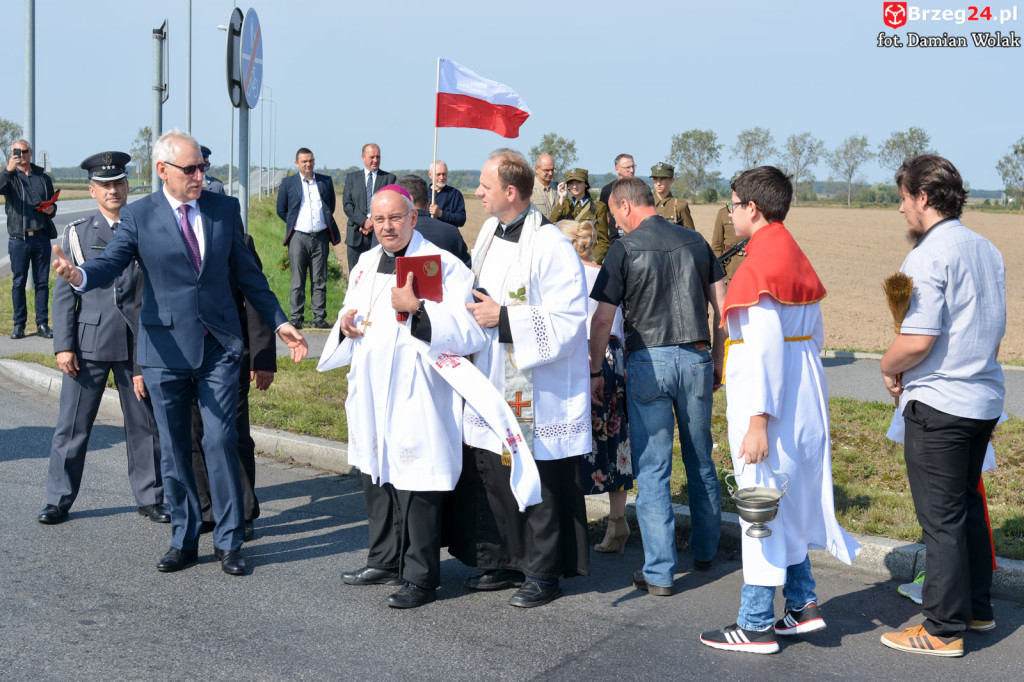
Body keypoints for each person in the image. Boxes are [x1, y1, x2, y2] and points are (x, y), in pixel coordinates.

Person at [51, 129, 308, 577]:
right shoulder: (139, 215)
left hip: (218, 347)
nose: (199, 175)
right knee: (172, 447)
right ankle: (184, 539)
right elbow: (111, 264)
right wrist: (78, 275)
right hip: (163, 349)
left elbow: (250, 279)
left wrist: (282, 324)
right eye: (190, 169)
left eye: (203, 168)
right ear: (163, 170)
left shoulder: (224, 209)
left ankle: (229, 542)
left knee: (220, 440)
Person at [698, 166, 860, 655]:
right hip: (804, 396)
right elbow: (815, 337)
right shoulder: (793, 254)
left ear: (752, 208)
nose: (729, 212)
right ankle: (803, 604)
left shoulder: (756, 266)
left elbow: (765, 347)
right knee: (783, 502)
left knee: (760, 508)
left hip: (771, 408)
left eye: (732, 204)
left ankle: (754, 624)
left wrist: (757, 421)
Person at [319, 185, 485, 608]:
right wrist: (345, 323)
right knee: (376, 474)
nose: (387, 227)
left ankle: (421, 577)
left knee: (418, 482)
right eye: (379, 219)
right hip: (373, 387)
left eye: (395, 218)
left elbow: (471, 331)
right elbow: (350, 309)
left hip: (417, 391)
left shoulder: (442, 266)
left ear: (413, 218)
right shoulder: (365, 263)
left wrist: (419, 311)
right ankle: (385, 558)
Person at [448, 148, 591, 608]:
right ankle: (507, 559)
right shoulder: (490, 230)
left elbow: (570, 321)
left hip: (540, 386)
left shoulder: (551, 244)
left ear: (511, 192)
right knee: (494, 468)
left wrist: (504, 318)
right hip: (493, 373)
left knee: (541, 478)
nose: (477, 193)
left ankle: (544, 572)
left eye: (485, 187)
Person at [878, 155, 1005, 658]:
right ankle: (976, 606)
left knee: (940, 518)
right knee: (966, 505)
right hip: (982, 397)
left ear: (923, 198)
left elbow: (918, 339)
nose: (902, 210)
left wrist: (887, 368)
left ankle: (941, 628)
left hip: (940, 401)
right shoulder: (986, 249)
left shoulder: (928, 256)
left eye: (904, 198)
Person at [590, 176, 724, 597]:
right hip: (698, 357)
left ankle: (660, 571)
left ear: (626, 206)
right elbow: (724, 309)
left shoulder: (624, 248)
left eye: (614, 214)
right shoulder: (697, 242)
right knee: (701, 459)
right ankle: (706, 553)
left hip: (648, 360)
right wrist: (717, 360)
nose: (614, 223)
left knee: (654, 468)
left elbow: (601, 318)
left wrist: (596, 369)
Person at [39, 151, 169, 526]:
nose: (114, 190)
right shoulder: (78, 231)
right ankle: (58, 499)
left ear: (128, 186)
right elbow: (65, 292)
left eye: (119, 183)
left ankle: (151, 497)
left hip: (137, 345)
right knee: (72, 425)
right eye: (105, 185)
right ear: (93, 190)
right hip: (89, 345)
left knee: (145, 426)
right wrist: (63, 345)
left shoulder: (148, 225)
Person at [190, 232, 276, 543]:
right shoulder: (167, 234)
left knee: (233, 436)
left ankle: (243, 510)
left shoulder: (237, 240)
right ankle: (207, 509)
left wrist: (263, 357)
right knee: (193, 435)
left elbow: (255, 296)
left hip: (229, 355)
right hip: (183, 356)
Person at [556, 219, 632, 554]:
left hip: (585, 355)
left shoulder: (566, 278)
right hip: (615, 355)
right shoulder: (605, 272)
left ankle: (572, 526)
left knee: (572, 438)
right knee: (615, 440)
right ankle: (618, 520)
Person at [277, 147, 341, 330]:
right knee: (297, 279)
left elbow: (330, 206)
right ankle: (296, 317)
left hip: (320, 237)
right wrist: (294, 223)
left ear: (314, 161)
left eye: (310, 160)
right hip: (298, 237)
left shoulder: (325, 182)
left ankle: (319, 317)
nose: (308, 164)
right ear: (297, 163)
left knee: (319, 279)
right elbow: (281, 209)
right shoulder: (288, 183)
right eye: (304, 161)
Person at [1, 139, 58, 340]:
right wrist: (8, 169)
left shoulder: (42, 178)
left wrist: (51, 209)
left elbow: (52, 206)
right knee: (18, 283)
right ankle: (19, 325)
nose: (21, 155)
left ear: (31, 152)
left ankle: (42, 324)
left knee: (42, 283)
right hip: (19, 239)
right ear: (11, 153)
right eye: (17, 152)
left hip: (41, 237)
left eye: (24, 151)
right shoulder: (10, 177)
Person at [372, 174, 470, 266]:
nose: (387, 226)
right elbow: (467, 269)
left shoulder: (385, 234)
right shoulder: (452, 232)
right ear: (428, 203)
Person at [342, 143, 397, 270]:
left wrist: (373, 222)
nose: (375, 160)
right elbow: (347, 204)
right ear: (363, 158)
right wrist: (363, 222)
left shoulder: (389, 179)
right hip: (356, 236)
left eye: (378, 157)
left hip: (380, 236)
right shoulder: (352, 178)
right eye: (372, 157)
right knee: (356, 276)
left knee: (378, 275)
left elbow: (391, 204)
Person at [549, 168, 611, 263]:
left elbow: (603, 241)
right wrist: (561, 199)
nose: (574, 186)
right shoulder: (564, 205)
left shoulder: (598, 207)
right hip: (567, 259)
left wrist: (593, 260)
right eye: (571, 183)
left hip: (588, 258)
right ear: (567, 186)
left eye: (578, 182)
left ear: (585, 184)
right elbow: (551, 226)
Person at [598, 153, 636, 245]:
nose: (631, 170)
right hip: (615, 240)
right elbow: (605, 216)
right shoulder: (607, 190)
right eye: (627, 167)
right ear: (617, 169)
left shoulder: (642, 188)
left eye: (633, 166)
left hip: (636, 238)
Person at [651, 162, 696, 230]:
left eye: (663, 179)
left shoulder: (679, 206)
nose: (658, 183)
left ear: (671, 180)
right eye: (655, 179)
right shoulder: (646, 204)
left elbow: (691, 235)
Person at [711, 204, 746, 283]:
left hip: (750, 270)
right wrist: (719, 275)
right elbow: (716, 246)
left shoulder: (755, 212)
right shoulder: (723, 213)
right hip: (729, 271)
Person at [426, 161, 466, 227]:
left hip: (448, 235)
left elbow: (461, 220)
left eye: (444, 174)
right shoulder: (423, 194)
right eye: (438, 174)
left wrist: (441, 214)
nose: (441, 178)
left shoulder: (455, 194)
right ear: (430, 175)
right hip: (427, 235)